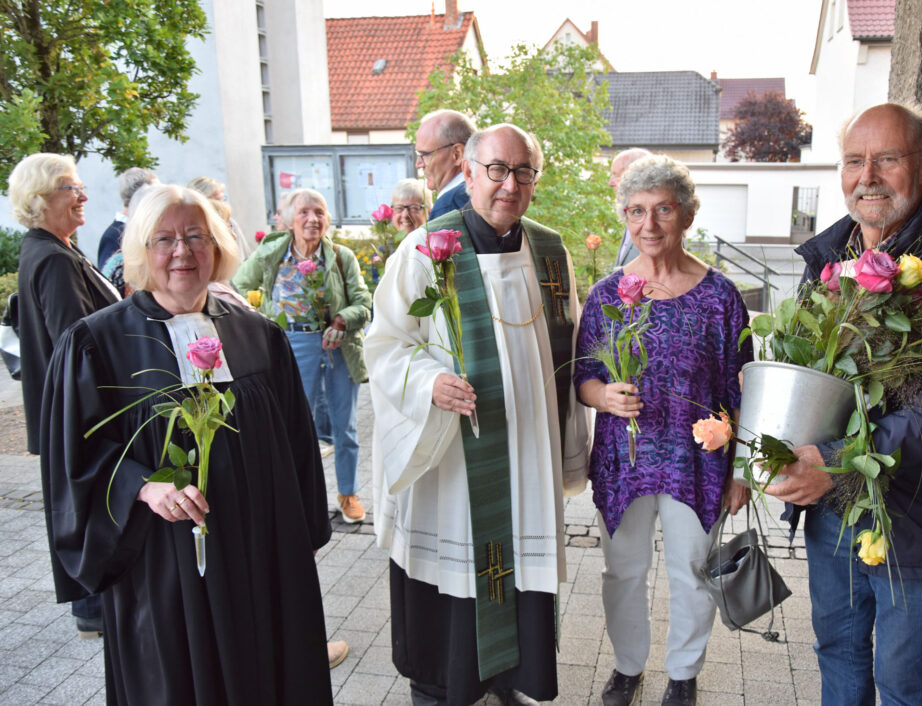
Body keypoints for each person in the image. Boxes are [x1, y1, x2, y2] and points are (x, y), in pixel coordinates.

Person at [39, 184, 338, 703]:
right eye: (164, 239)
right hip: (162, 564)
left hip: (258, 554)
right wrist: (144, 487)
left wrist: (296, 539)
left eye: (196, 236)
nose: (182, 251)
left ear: (218, 246)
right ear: (140, 251)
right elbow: (75, 461)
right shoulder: (98, 344)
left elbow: (296, 449)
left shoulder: (258, 336)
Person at [764, 103, 922, 705]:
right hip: (833, 515)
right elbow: (807, 375)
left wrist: (837, 459)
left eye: (888, 158)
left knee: (904, 682)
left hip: (919, 522)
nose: (867, 174)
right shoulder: (825, 260)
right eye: (854, 160)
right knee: (838, 659)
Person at [366, 123, 589, 705]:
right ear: (467, 172)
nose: (509, 184)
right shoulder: (425, 249)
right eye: (496, 170)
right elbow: (385, 342)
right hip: (455, 462)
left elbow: (568, 347)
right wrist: (429, 381)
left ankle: (506, 677)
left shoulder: (549, 250)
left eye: (523, 172)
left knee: (520, 565)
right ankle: (445, 686)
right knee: (458, 575)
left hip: (527, 453)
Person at [574, 155, 752, 706]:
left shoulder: (721, 297)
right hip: (623, 461)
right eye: (635, 211)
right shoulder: (608, 294)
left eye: (663, 210)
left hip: (696, 461)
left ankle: (683, 673)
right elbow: (583, 377)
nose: (648, 224)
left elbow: (742, 389)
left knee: (694, 572)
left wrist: (742, 470)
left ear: (687, 215)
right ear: (625, 217)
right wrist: (604, 396)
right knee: (622, 572)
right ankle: (628, 667)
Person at [9, 153, 121, 639]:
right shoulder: (54, 258)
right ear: (42, 198)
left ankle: (92, 607)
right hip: (85, 413)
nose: (84, 197)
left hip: (71, 410)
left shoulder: (52, 249)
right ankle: (94, 609)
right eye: (72, 188)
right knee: (92, 504)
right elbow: (76, 342)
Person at [233, 188, 372, 523]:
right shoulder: (272, 254)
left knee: (345, 427)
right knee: (295, 424)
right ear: (288, 220)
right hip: (290, 345)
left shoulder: (340, 257)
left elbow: (363, 302)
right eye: (304, 213)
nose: (313, 219)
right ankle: (300, 494)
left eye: (320, 212)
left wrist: (343, 320)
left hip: (337, 347)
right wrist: (266, 314)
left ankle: (348, 492)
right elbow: (238, 286)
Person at [414, 109, 477, 217]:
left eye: (425, 154)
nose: (418, 164)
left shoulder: (449, 205)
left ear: (457, 154)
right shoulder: (482, 193)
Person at [97, 167, 159, 269]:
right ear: (141, 196)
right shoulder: (113, 236)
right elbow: (107, 279)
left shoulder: (142, 229)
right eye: (155, 193)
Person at [188, 175, 253, 258]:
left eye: (223, 199)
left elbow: (244, 256)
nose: (222, 204)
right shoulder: (191, 228)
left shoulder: (229, 222)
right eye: (217, 200)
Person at [609, 148, 653, 267]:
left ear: (635, 177)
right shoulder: (633, 214)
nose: (610, 183)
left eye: (616, 175)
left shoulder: (653, 222)